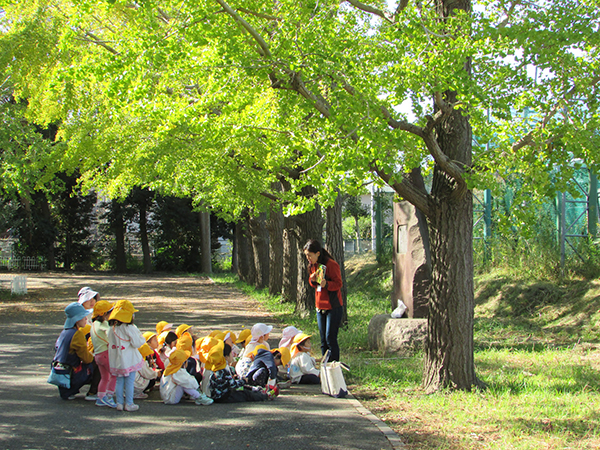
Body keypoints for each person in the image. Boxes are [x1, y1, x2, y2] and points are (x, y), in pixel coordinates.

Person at [304, 239, 344, 362]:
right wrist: (312, 280)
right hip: (319, 306)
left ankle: (334, 364)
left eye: (309, 255)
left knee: (330, 338)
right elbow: (314, 285)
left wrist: (326, 284)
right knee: (323, 340)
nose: (308, 259)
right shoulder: (312, 266)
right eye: (306, 256)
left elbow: (338, 284)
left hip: (333, 306)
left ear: (318, 253)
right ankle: (325, 364)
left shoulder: (331, 264)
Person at [108, 300, 146, 412]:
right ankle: (129, 403)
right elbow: (137, 343)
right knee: (129, 381)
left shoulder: (112, 328)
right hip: (129, 359)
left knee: (119, 381)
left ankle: (119, 403)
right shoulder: (130, 328)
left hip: (117, 359)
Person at [51, 302, 95, 400]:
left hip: (59, 370)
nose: (86, 319)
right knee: (96, 363)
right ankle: (93, 392)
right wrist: (92, 354)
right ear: (77, 320)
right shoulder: (77, 334)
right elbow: (87, 359)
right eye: (84, 317)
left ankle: (67, 390)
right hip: (70, 373)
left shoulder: (65, 332)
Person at [207, 341, 274, 403]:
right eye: (231, 354)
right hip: (224, 396)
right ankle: (265, 396)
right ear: (226, 357)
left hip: (216, 395)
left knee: (243, 390)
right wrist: (244, 381)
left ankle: (258, 391)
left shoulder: (214, 369)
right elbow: (233, 384)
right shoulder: (223, 371)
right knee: (245, 394)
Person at [90, 300, 117, 407]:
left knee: (104, 377)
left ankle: (100, 397)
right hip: (105, 354)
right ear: (104, 314)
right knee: (114, 374)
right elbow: (109, 332)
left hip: (98, 355)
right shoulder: (102, 325)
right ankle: (109, 396)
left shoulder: (94, 324)